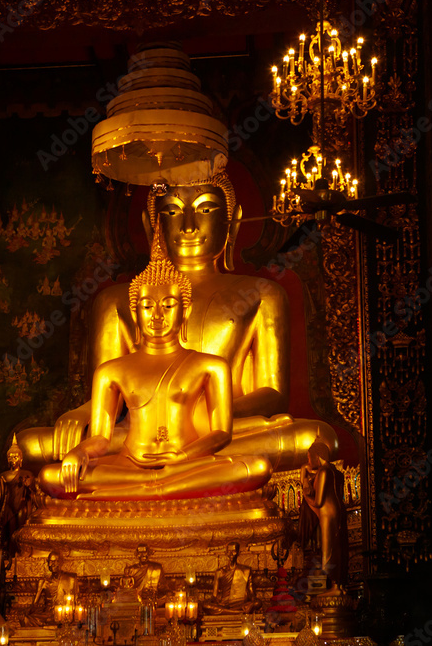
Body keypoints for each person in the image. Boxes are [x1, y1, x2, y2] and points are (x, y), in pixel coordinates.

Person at [19, 176, 338, 473]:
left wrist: (196, 419)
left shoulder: (261, 294)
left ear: (232, 220)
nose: (188, 225)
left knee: (313, 437)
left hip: (222, 430)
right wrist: (81, 413)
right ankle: (175, 468)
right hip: (136, 437)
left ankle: (168, 467)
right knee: (31, 446)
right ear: (150, 225)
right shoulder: (117, 301)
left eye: (206, 209)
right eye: (171, 211)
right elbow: (111, 400)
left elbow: (272, 395)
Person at [37, 236, 272, 500]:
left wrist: (181, 457)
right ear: (135, 312)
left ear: (186, 310)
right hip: (130, 464)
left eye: (168, 305)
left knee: (255, 467)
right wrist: (80, 452)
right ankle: (158, 487)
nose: (157, 316)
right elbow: (102, 438)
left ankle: (140, 491)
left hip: (186, 462)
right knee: (51, 476)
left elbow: (221, 433)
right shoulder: (111, 371)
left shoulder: (210, 366)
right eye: (147, 306)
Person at [299, 438, 345, 585]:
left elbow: (318, 502)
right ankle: (337, 583)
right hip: (337, 511)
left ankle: (330, 583)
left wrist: (306, 496)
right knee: (336, 546)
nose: (309, 462)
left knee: (327, 550)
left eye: (309, 458)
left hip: (326, 513)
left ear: (316, 456)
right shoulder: (335, 471)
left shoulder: (324, 472)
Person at [202, 541, 262, 615]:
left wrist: (253, 601)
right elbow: (214, 595)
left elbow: (251, 593)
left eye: (233, 551)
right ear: (225, 553)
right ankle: (238, 613)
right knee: (205, 605)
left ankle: (229, 612)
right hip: (224, 605)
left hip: (241, 604)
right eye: (229, 551)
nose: (231, 554)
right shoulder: (219, 572)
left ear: (238, 553)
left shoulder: (246, 570)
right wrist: (212, 601)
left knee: (258, 603)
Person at [22, 551, 79, 627]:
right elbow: (34, 606)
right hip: (48, 614)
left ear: (61, 562)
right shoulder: (44, 581)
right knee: (26, 619)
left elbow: (75, 601)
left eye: (54, 561)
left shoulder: (70, 579)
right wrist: (39, 591)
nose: (51, 564)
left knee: (74, 619)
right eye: (50, 561)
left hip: (64, 613)